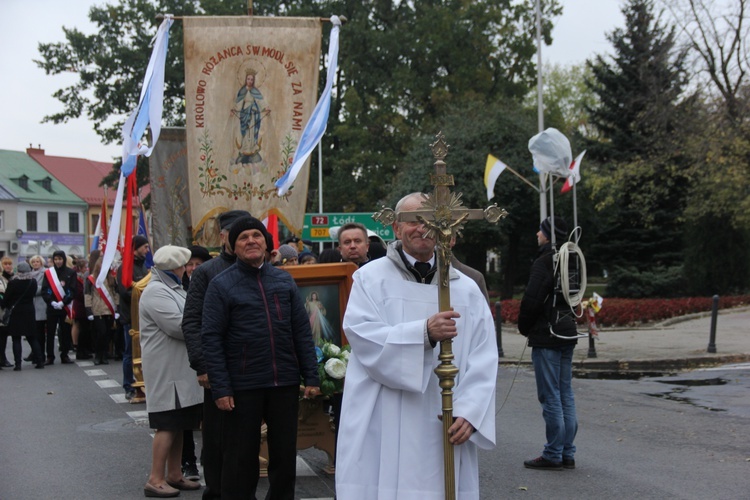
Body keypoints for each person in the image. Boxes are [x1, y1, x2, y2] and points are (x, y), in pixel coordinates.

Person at [335, 192, 498, 499]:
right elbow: (362, 335)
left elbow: (484, 356)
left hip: (445, 419)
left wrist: (471, 411)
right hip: (384, 416)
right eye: (413, 219)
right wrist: (423, 333)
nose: (422, 226)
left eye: (431, 219)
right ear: (396, 228)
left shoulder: (466, 289)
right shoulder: (370, 279)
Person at [201, 215, 320, 499]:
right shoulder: (221, 284)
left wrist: (312, 376)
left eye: (256, 235)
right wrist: (221, 386)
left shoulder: (283, 280)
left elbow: (301, 332)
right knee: (240, 458)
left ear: (266, 244)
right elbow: (211, 338)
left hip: (284, 383)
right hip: (243, 385)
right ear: (233, 246)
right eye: (243, 237)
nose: (251, 241)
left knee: (284, 456)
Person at [182, 209, 251, 499]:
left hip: (252, 369)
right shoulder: (207, 272)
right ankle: (217, 491)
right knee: (217, 439)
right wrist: (203, 365)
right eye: (235, 234)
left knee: (246, 438)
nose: (243, 240)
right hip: (218, 368)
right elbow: (192, 321)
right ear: (223, 237)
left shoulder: (259, 268)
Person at [140, 245, 203, 498]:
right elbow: (178, 326)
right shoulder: (156, 291)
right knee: (166, 424)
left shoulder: (170, 287)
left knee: (179, 424)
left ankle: (174, 474)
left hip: (178, 368)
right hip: (167, 370)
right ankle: (155, 478)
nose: (187, 269)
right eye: (184, 265)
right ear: (175, 267)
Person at [518, 216, 579, 471]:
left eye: (541, 231)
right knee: (565, 393)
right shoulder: (573, 258)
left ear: (548, 235)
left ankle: (553, 453)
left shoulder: (545, 262)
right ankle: (567, 451)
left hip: (548, 335)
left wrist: (524, 327)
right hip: (567, 332)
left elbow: (532, 300)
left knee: (550, 395)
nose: (536, 234)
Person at [117, 235, 151, 400]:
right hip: (130, 318)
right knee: (130, 353)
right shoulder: (125, 267)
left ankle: (142, 383)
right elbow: (125, 292)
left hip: (143, 316)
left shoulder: (143, 267)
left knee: (143, 353)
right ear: (135, 247)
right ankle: (129, 385)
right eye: (144, 247)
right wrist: (144, 294)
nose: (147, 250)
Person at [41, 250, 78, 364]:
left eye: (60, 259)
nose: (57, 261)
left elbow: (72, 290)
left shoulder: (70, 273)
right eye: (55, 259)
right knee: (50, 332)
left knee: (65, 331)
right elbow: (45, 290)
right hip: (52, 307)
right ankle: (50, 356)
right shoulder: (48, 273)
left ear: (64, 259)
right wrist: (51, 302)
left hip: (65, 307)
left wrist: (64, 302)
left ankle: (64, 354)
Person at [2, 262, 39, 370]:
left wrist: (5, 305)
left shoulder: (13, 282)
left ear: (18, 270)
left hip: (16, 312)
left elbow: (6, 298)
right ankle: (40, 361)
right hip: (29, 311)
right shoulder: (33, 281)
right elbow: (33, 294)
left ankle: (18, 364)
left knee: (16, 338)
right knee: (32, 337)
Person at [85, 254, 119, 366]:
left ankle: (104, 355)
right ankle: (98, 355)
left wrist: (117, 308)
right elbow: (88, 295)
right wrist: (88, 310)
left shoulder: (111, 278)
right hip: (97, 310)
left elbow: (115, 294)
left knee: (107, 334)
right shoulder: (91, 279)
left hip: (109, 310)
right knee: (101, 333)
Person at [232, 69, 270, 165]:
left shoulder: (255, 91)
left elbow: (260, 101)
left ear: (254, 81)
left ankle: (252, 150)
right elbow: (239, 102)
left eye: (252, 79)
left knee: (252, 133)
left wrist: (265, 108)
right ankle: (244, 150)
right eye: (248, 79)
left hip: (253, 114)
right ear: (245, 79)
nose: (250, 81)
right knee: (245, 132)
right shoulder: (242, 90)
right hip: (245, 114)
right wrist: (235, 109)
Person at [25, 255, 48, 366]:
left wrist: (31, 290)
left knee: (40, 332)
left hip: (41, 303)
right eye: (33, 262)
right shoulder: (29, 274)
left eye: (37, 261)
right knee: (33, 332)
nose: (35, 263)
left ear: (41, 263)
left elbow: (43, 287)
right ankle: (35, 353)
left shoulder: (45, 273)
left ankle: (41, 354)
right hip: (31, 305)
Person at [0, 256, 15, 367]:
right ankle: (2, 358)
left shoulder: (15, 278)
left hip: (12, 310)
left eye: (9, 264)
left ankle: (3, 357)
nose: (8, 266)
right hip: (2, 311)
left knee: (5, 336)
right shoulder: (1, 279)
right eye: (5, 264)